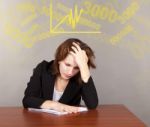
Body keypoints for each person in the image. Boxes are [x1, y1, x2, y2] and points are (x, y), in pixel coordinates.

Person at [22, 38, 98, 113]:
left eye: (76, 67)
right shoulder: (43, 68)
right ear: (59, 59)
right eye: (67, 65)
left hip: (69, 122)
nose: (70, 72)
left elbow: (92, 105)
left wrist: (84, 67)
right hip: (42, 122)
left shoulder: (81, 75)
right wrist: (55, 105)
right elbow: (27, 100)